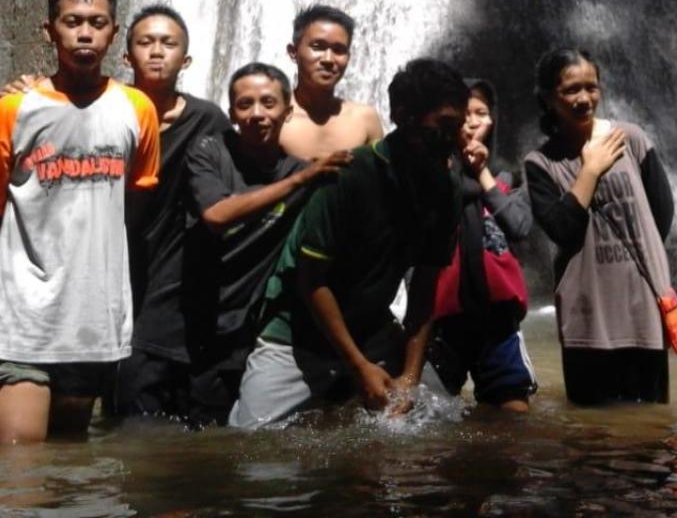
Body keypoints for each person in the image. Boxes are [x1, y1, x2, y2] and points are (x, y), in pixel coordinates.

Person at [0, 0, 160, 443]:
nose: (85, 33)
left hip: (92, 316)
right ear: (49, 30)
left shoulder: (138, 110)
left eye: (97, 22)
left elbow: (135, 201)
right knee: (18, 463)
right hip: (23, 313)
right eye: (72, 21)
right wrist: (17, 272)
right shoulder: (11, 111)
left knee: (69, 457)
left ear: (114, 32)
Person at [229, 58, 467, 430]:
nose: (455, 139)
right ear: (403, 116)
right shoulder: (348, 175)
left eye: (459, 126)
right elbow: (312, 281)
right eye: (444, 126)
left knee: (441, 428)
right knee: (249, 443)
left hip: (372, 332)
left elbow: (425, 285)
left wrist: (410, 375)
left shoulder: (446, 187)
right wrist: (358, 366)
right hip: (297, 336)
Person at [178, 62, 350, 424]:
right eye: (245, 104)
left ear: (288, 112)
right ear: (231, 113)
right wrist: (299, 181)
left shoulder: (304, 172)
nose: (257, 114)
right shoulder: (208, 152)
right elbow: (217, 215)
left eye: (268, 103)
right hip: (204, 322)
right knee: (203, 433)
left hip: (260, 332)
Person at [523, 48, 676, 405]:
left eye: (591, 87)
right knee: (591, 428)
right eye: (571, 90)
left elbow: (661, 216)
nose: (584, 98)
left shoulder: (631, 140)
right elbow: (563, 230)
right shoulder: (540, 163)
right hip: (586, 317)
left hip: (642, 311)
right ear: (548, 98)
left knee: (649, 426)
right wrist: (590, 170)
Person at [114, 5, 231, 419]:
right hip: (117, 265)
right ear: (126, 57)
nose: (157, 51)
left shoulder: (209, 120)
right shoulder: (108, 111)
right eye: (145, 42)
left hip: (179, 275)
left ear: (187, 58)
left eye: (168, 43)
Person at [426, 79, 536, 412]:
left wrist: (481, 170)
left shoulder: (508, 175)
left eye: (481, 113)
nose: (472, 122)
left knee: (513, 410)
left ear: (493, 119)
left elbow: (518, 225)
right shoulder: (432, 171)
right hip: (444, 317)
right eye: (464, 113)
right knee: (428, 411)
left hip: (498, 317)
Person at [279, 4, 383, 160]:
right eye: (317, 47)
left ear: (348, 57)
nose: (328, 59)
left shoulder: (365, 120)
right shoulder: (274, 118)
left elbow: (381, 174)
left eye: (339, 50)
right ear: (293, 52)